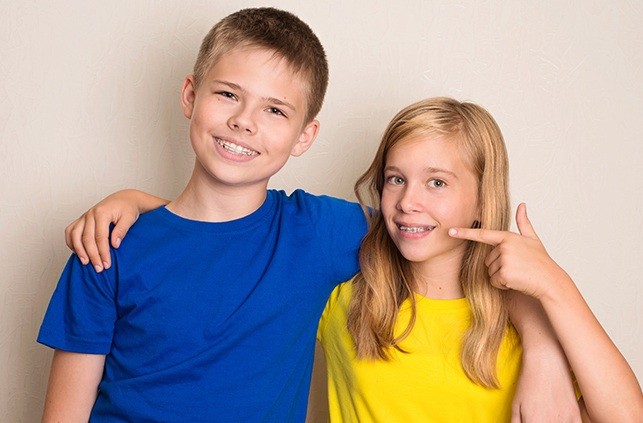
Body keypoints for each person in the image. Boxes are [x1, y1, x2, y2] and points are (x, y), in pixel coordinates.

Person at [43, 7, 578, 422]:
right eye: (228, 94)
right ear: (190, 94)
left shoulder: (321, 233)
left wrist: (545, 349)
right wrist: (139, 205)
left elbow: (460, 244)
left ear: (305, 136)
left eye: (274, 109)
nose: (244, 122)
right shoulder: (108, 246)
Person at [316, 97, 643, 422]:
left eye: (437, 182)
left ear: (482, 203)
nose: (407, 201)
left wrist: (553, 284)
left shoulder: (523, 331)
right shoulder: (344, 297)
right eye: (396, 179)